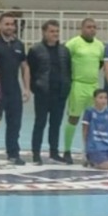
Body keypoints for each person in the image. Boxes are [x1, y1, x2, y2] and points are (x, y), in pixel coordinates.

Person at [0, 12, 31, 166]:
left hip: (14, 90)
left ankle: (13, 153)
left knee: (15, 124)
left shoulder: (19, 44)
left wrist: (26, 88)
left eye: (12, 24)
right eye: (7, 24)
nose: (10, 27)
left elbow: (25, 67)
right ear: (0, 25)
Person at [28, 19, 72, 164]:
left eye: (57, 31)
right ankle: (36, 153)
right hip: (43, 93)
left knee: (56, 124)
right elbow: (31, 71)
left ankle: (54, 152)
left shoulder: (65, 51)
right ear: (44, 32)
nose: (55, 34)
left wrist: (66, 87)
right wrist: (36, 88)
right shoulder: (35, 50)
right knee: (40, 123)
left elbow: (68, 70)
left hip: (60, 93)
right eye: (52, 31)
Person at [63, 18, 104, 156]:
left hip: (93, 86)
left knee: (93, 119)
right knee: (74, 118)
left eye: (94, 27)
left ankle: (90, 150)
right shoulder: (73, 43)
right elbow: (63, 59)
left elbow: (101, 63)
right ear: (82, 28)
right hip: (78, 85)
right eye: (88, 27)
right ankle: (67, 150)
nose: (92, 29)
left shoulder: (99, 45)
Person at [81, 89, 108, 170]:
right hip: (94, 146)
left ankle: (103, 158)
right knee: (106, 166)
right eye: (100, 97)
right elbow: (85, 130)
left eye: (105, 98)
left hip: (107, 145)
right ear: (94, 99)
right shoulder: (89, 111)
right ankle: (90, 159)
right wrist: (85, 147)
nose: (103, 100)